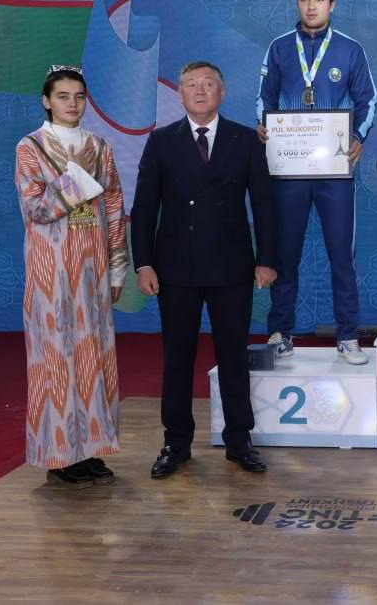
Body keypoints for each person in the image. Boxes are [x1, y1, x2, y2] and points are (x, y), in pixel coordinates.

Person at [131, 61, 277, 477]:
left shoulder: (245, 140)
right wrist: (144, 262)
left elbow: (264, 205)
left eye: (208, 84)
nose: (200, 91)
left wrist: (267, 258)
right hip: (175, 268)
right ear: (179, 94)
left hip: (232, 266)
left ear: (222, 92)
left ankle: (239, 439)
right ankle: (176, 442)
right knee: (177, 357)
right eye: (191, 85)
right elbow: (144, 208)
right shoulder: (161, 141)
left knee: (233, 355)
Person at [14, 65, 127, 488]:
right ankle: (59, 454)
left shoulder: (100, 146)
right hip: (51, 265)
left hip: (92, 264)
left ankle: (91, 448)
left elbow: (114, 206)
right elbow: (36, 208)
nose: (72, 104)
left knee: (95, 353)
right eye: (63, 96)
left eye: (79, 96)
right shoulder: (30, 147)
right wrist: (78, 179)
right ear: (46, 101)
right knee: (56, 357)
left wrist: (117, 265)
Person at [256, 0, 377, 366]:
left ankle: (348, 335)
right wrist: (263, 125)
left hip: (334, 171)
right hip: (289, 169)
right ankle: (281, 332)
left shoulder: (350, 50)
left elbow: (368, 99)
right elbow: (264, 98)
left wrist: (357, 135)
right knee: (284, 253)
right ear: (297, 2)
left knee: (341, 255)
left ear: (332, 4)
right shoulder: (279, 48)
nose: (311, 6)